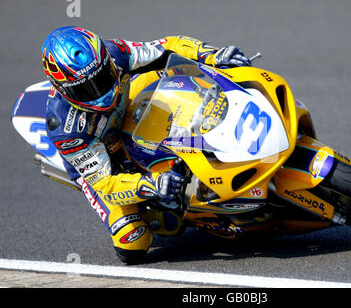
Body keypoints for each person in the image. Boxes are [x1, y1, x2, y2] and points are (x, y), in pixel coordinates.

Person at [41, 26, 251, 264]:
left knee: (166, 72)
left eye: (103, 77)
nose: (101, 92)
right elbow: (107, 182)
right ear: (63, 90)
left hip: (128, 108)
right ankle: (161, 211)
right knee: (132, 242)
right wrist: (151, 185)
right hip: (106, 163)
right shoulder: (66, 129)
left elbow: (167, 46)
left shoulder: (115, 52)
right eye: (86, 88)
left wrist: (211, 54)